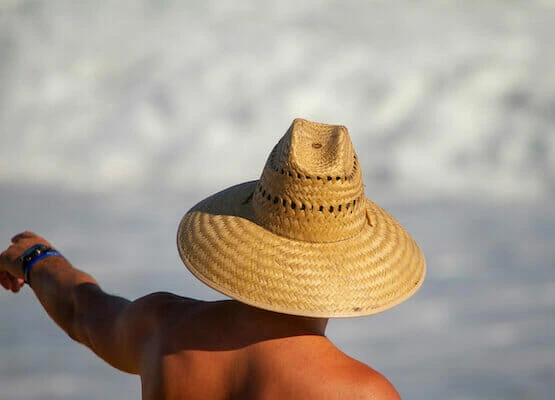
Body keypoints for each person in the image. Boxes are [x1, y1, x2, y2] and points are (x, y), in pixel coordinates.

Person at [0, 118, 426, 400]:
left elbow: (82, 311)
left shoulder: (162, 328)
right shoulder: (362, 393)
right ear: (350, 257)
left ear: (247, 230)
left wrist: (36, 258)